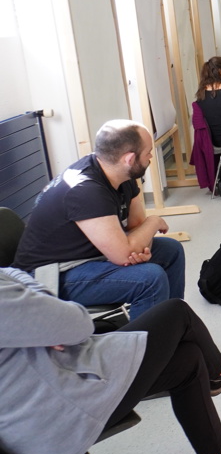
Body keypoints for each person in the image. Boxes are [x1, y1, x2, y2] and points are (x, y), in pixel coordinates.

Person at [0, 274, 221, 454]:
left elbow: (21, 279)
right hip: (56, 414)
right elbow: (76, 323)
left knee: (188, 360)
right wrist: (40, 304)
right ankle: (220, 370)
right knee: (177, 312)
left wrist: (43, 315)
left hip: (27, 414)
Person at [12, 120, 185, 320]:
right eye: (148, 152)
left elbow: (136, 225)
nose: (150, 157)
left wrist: (139, 246)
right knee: (149, 279)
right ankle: (148, 349)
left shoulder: (118, 172)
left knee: (171, 250)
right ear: (129, 159)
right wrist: (154, 222)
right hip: (48, 276)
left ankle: (175, 326)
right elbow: (126, 252)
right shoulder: (86, 190)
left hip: (86, 257)